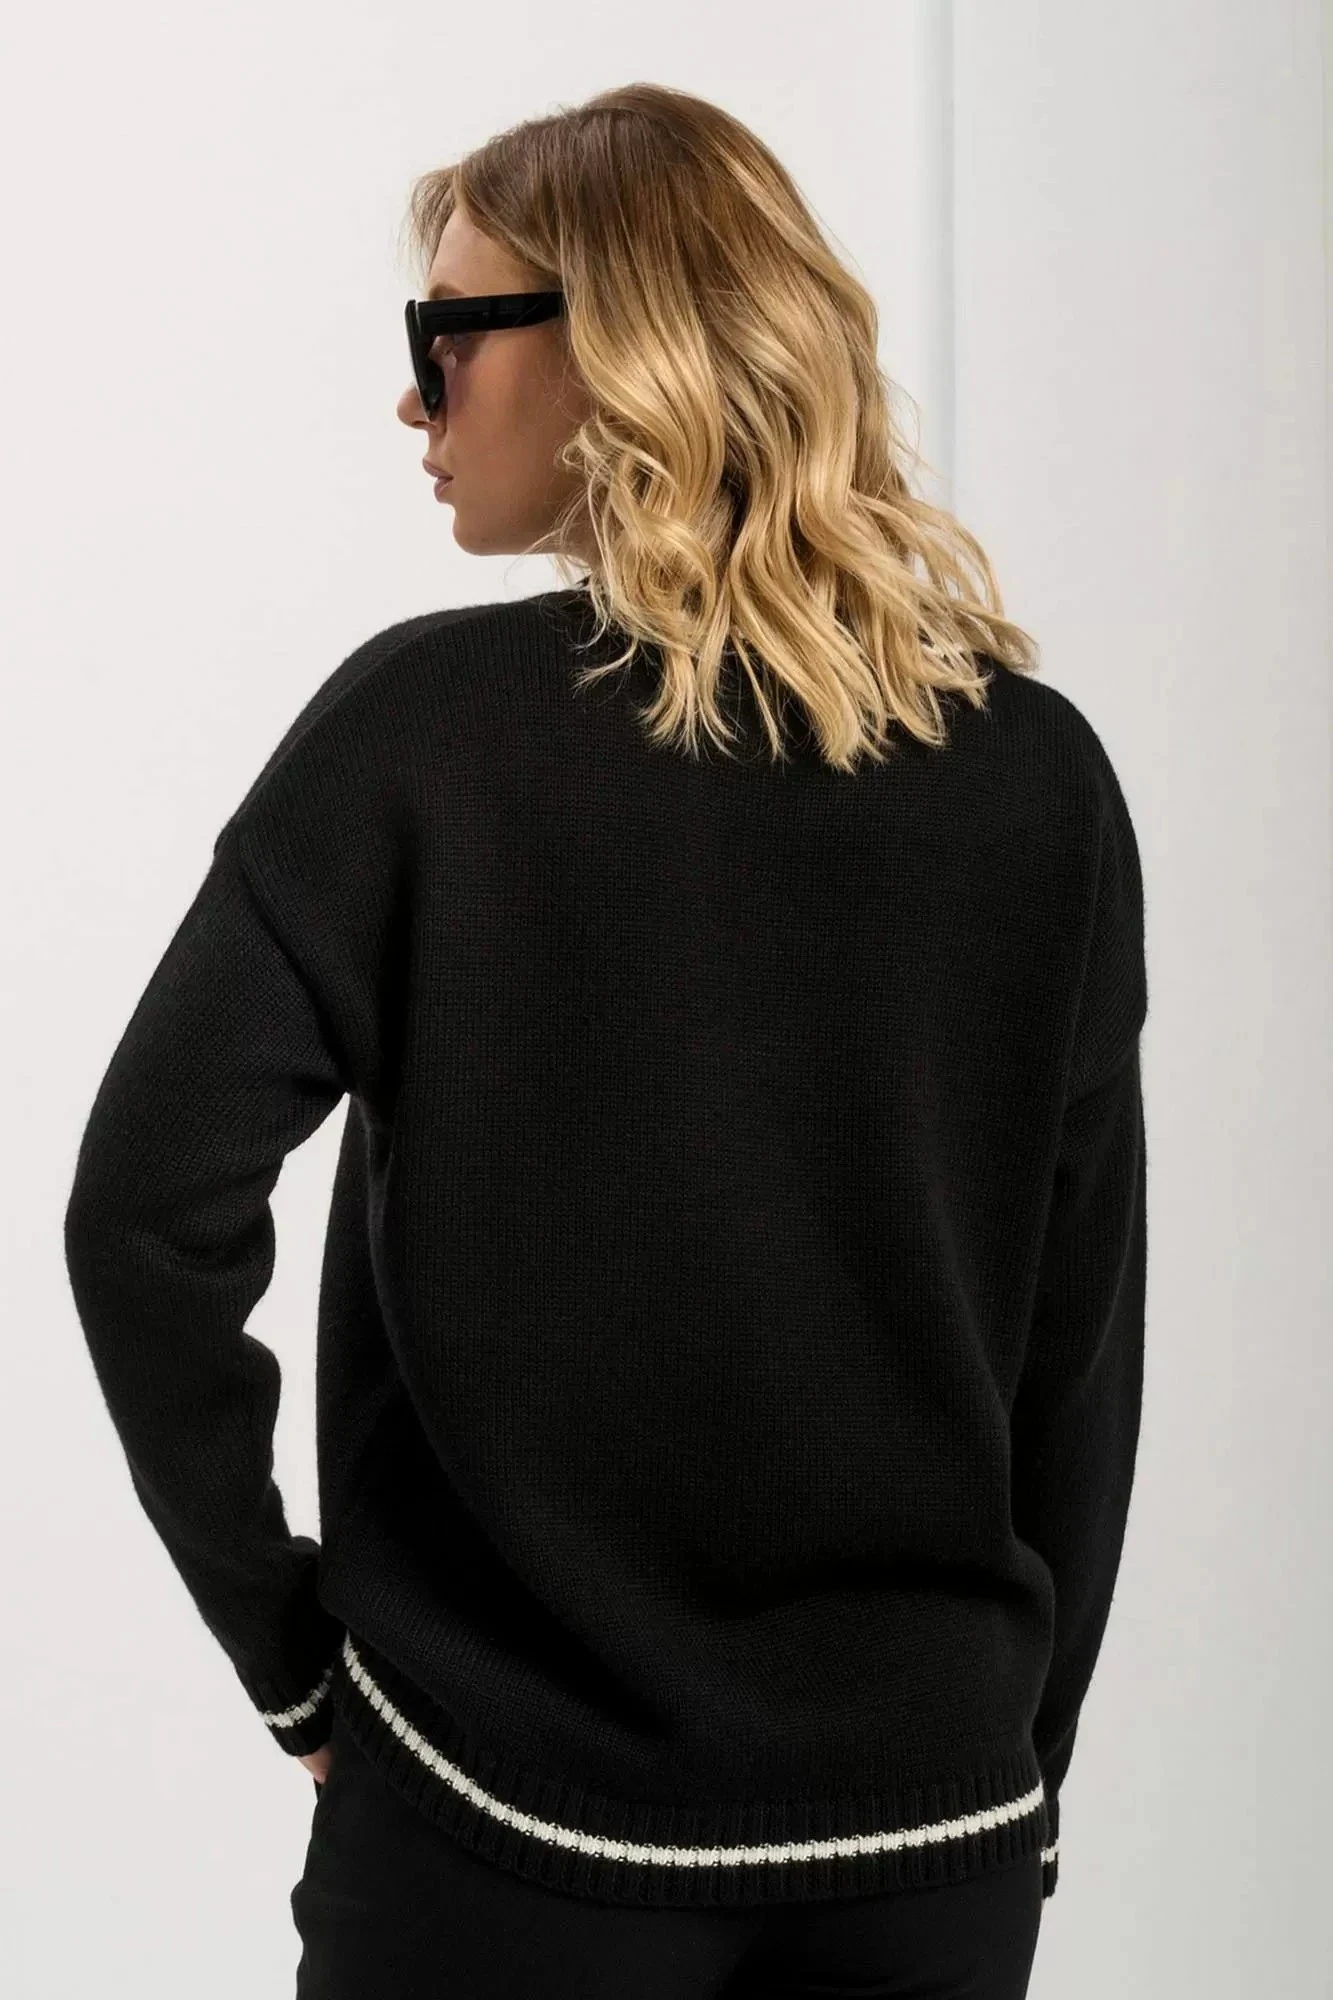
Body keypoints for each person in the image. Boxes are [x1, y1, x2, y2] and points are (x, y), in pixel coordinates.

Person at [63, 82, 1148, 2000]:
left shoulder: (422, 737)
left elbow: (145, 1215)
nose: (416, 399)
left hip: (508, 1829)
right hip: (928, 1851)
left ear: (615, 346)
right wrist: (1020, 1769)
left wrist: (291, 1659)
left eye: (446, 335)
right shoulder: (1038, 778)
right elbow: (1081, 1345)